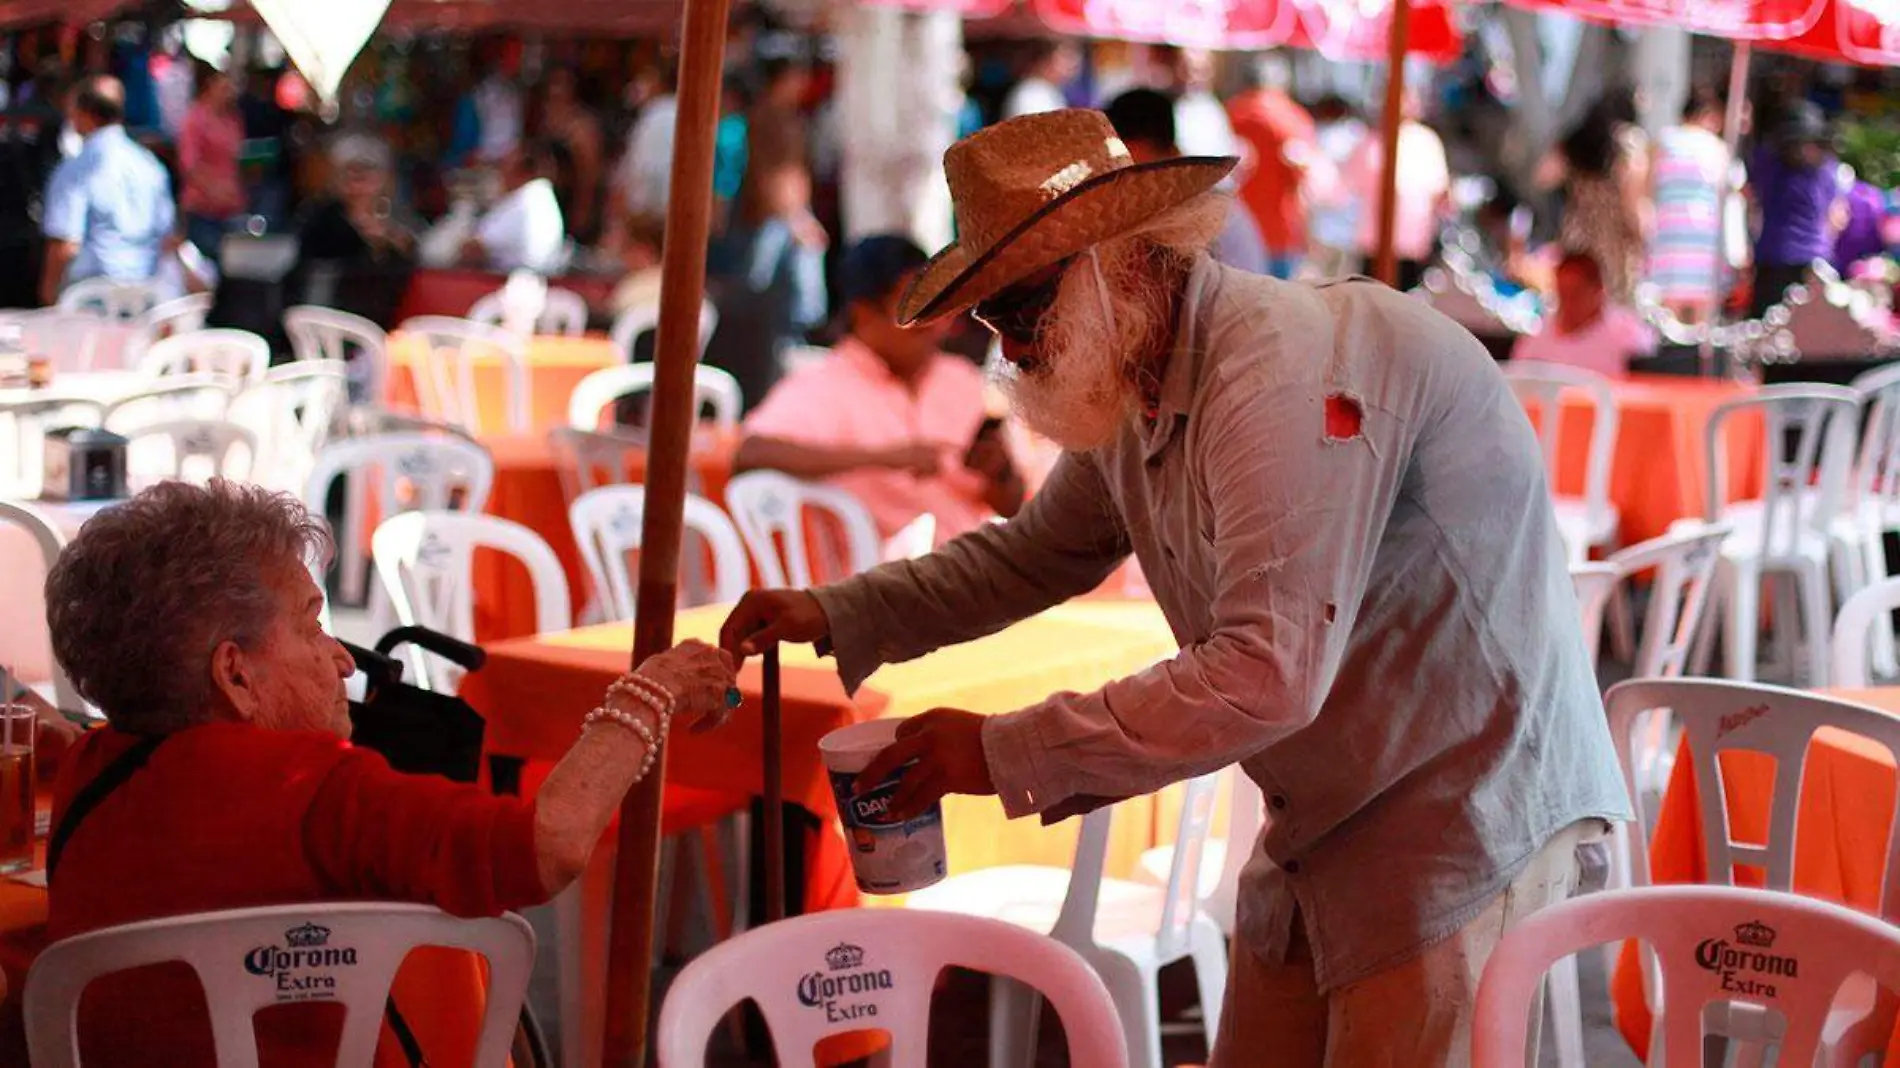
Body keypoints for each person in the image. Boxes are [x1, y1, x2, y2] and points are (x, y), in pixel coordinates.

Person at [720, 109, 1626, 1067]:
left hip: (1462, 797)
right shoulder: (1138, 373)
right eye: (991, 324)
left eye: (1022, 313)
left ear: (1123, 262)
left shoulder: (1272, 372)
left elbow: (1264, 674)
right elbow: (1031, 555)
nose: (1012, 353)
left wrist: (993, 751)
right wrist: (838, 610)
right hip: (1333, 798)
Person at [40, 479, 738, 1066]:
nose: (344, 660)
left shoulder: (85, 766)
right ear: (235, 673)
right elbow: (547, 844)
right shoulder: (310, 788)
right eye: (314, 626)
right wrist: (652, 693)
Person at [736, 235, 1024, 543]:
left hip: (982, 569)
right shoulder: (825, 385)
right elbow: (751, 452)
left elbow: (1012, 505)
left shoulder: (960, 379)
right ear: (863, 313)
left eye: (936, 310)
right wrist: (888, 458)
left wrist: (1000, 472)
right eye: (916, 313)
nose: (934, 326)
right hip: (886, 581)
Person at [38, 75, 176, 305]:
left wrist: (48, 296)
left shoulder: (76, 170)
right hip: (145, 299)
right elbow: (168, 237)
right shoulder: (150, 165)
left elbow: (64, 245)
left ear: (82, 113)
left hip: (91, 302)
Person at [1105, 88, 1268, 276]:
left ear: (1172, 153)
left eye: (1142, 175)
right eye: (1122, 177)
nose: (1135, 190)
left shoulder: (1216, 217)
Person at [290, 133, 417, 330]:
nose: (358, 185)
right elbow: (316, 259)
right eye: (350, 175)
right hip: (326, 314)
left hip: (381, 318)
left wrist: (389, 241)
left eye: (366, 176)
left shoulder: (397, 216)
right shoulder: (321, 215)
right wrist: (360, 232)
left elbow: (412, 255)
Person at [1541, 89, 1649, 305]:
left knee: (1573, 308)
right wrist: (1641, 237)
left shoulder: (1577, 139)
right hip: (1613, 243)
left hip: (1577, 238)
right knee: (1611, 312)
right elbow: (1632, 203)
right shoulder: (1629, 145)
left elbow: (1544, 177)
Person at [1344, 86, 1450, 291]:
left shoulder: (1425, 141)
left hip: (1412, 243)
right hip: (1374, 243)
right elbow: (1348, 186)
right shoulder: (1370, 141)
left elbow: (1440, 191)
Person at [1748, 102, 1846, 317]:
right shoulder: (1775, 167)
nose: (1802, 149)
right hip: (1776, 260)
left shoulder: (1824, 171)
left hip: (1809, 262)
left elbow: (1835, 216)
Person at [1646, 86, 1731, 324]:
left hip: (1668, 238)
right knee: (1701, 325)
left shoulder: (1663, 142)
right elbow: (1727, 199)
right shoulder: (1717, 147)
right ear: (1709, 115)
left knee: (1667, 322)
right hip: (1705, 240)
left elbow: (1647, 189)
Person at [1225, 54, 1314, 279]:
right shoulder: (1292, 118)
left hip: (1239, 227)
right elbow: (1303, 177)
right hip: (1281, 231)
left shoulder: (1232, 112)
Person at [1512, 252, 1655, 377]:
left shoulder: (1627, 334)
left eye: (1576, 293)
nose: (1568, 301)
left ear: (1598, 290)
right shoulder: (1537, 337)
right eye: (1563, 293)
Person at [177, 62, 247, 268]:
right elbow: (188, 164)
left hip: (230, 210)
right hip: (202, 209)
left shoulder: (233, 119)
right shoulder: (195, 118)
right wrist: (212, 189)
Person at [463, 139, 566, 275]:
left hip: (520, 286)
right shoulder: (540, 195)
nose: (500, 175)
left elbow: (471, 247)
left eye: (504, 167)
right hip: (530, 281)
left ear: (523, 172)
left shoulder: (525, 201)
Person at [541, 67, 604, 244]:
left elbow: (589, 174)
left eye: (561, 83)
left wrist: (582, 211)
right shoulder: (547, 119)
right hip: (550, 198)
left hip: (571, 201)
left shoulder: (582, 126)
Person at [1153, 45, 1238, 160]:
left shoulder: (1213, 108)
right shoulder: (1164, 107)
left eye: (1200, 70)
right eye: (1186, 68)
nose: (1192, 76)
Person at [1002, 39, 1078, 120]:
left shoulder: (1049, 90)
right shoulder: (1031, 94)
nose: (1071, 65)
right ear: (1045, 61)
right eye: (1065, 58)